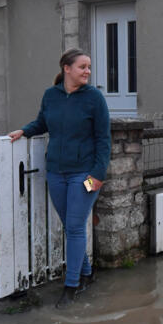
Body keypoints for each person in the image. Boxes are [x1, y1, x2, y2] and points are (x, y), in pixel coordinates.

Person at [8, 48, 111, 308]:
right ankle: (87, 273)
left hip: (85, 175)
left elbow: (103, 139)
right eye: (82, 67)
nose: (87, 71)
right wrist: (25, 130)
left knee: (75, 227)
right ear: (67, 68)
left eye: (89, 66)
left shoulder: (95, 98)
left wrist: (98, 174)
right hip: (56, 172)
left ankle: (71, 286)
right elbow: (43, 122)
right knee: (70, 226)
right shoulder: (51, 95)